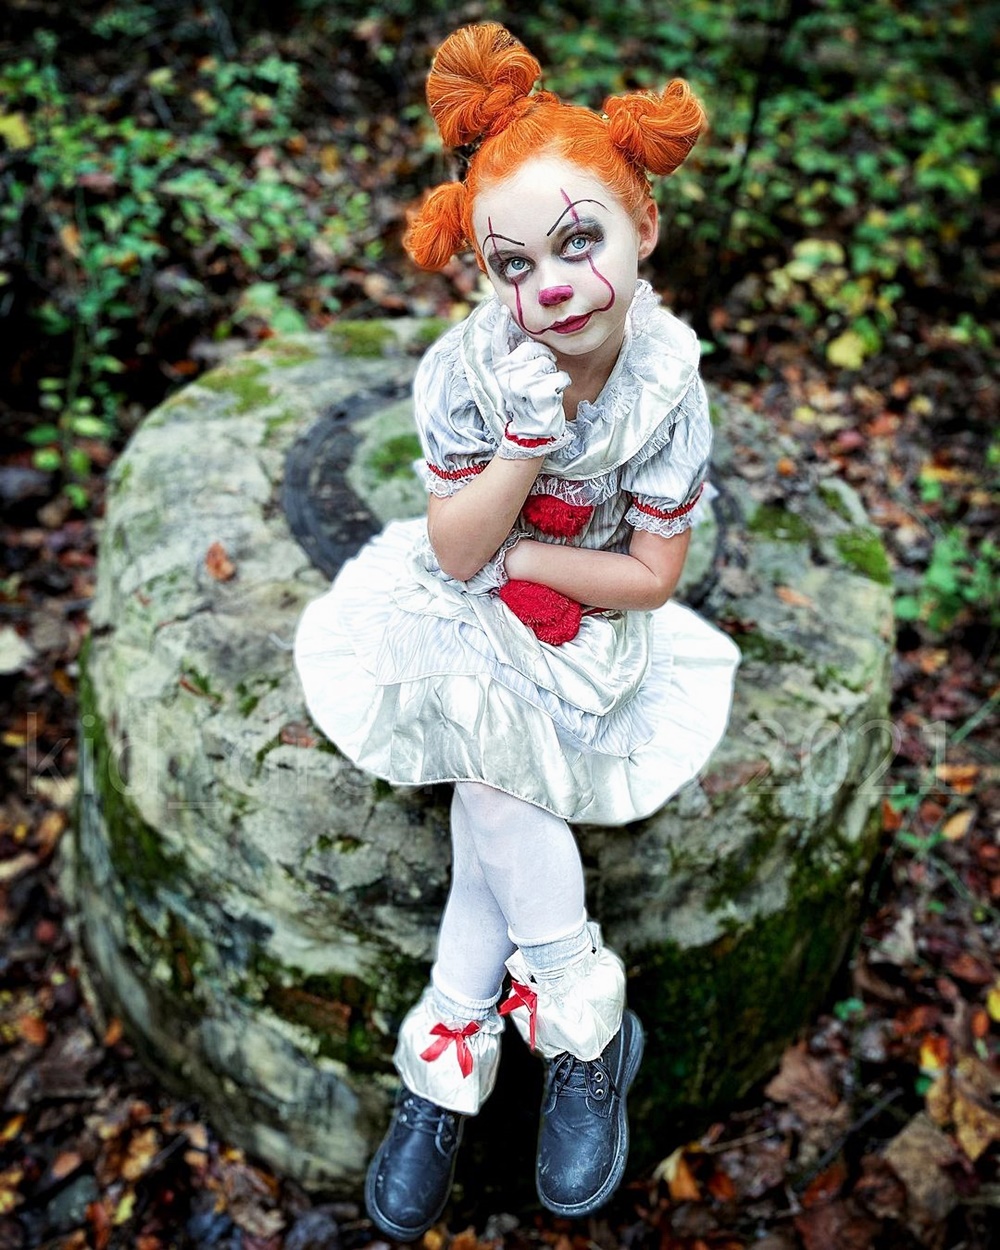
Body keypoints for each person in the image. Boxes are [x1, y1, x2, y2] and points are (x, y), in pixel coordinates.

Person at [294, 20, 740, 1239]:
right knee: (494, 780)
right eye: (512, 262)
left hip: (581, 610)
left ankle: (447, 1054)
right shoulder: (472, 373)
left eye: (580, 241)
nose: (549, 284)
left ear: (644, 225)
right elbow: (452, 551)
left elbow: (649, 574)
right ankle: (584, 1024)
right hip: (459, 598)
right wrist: (525, 445)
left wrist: (528, 560)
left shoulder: (665, 388)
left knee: (489, 792)